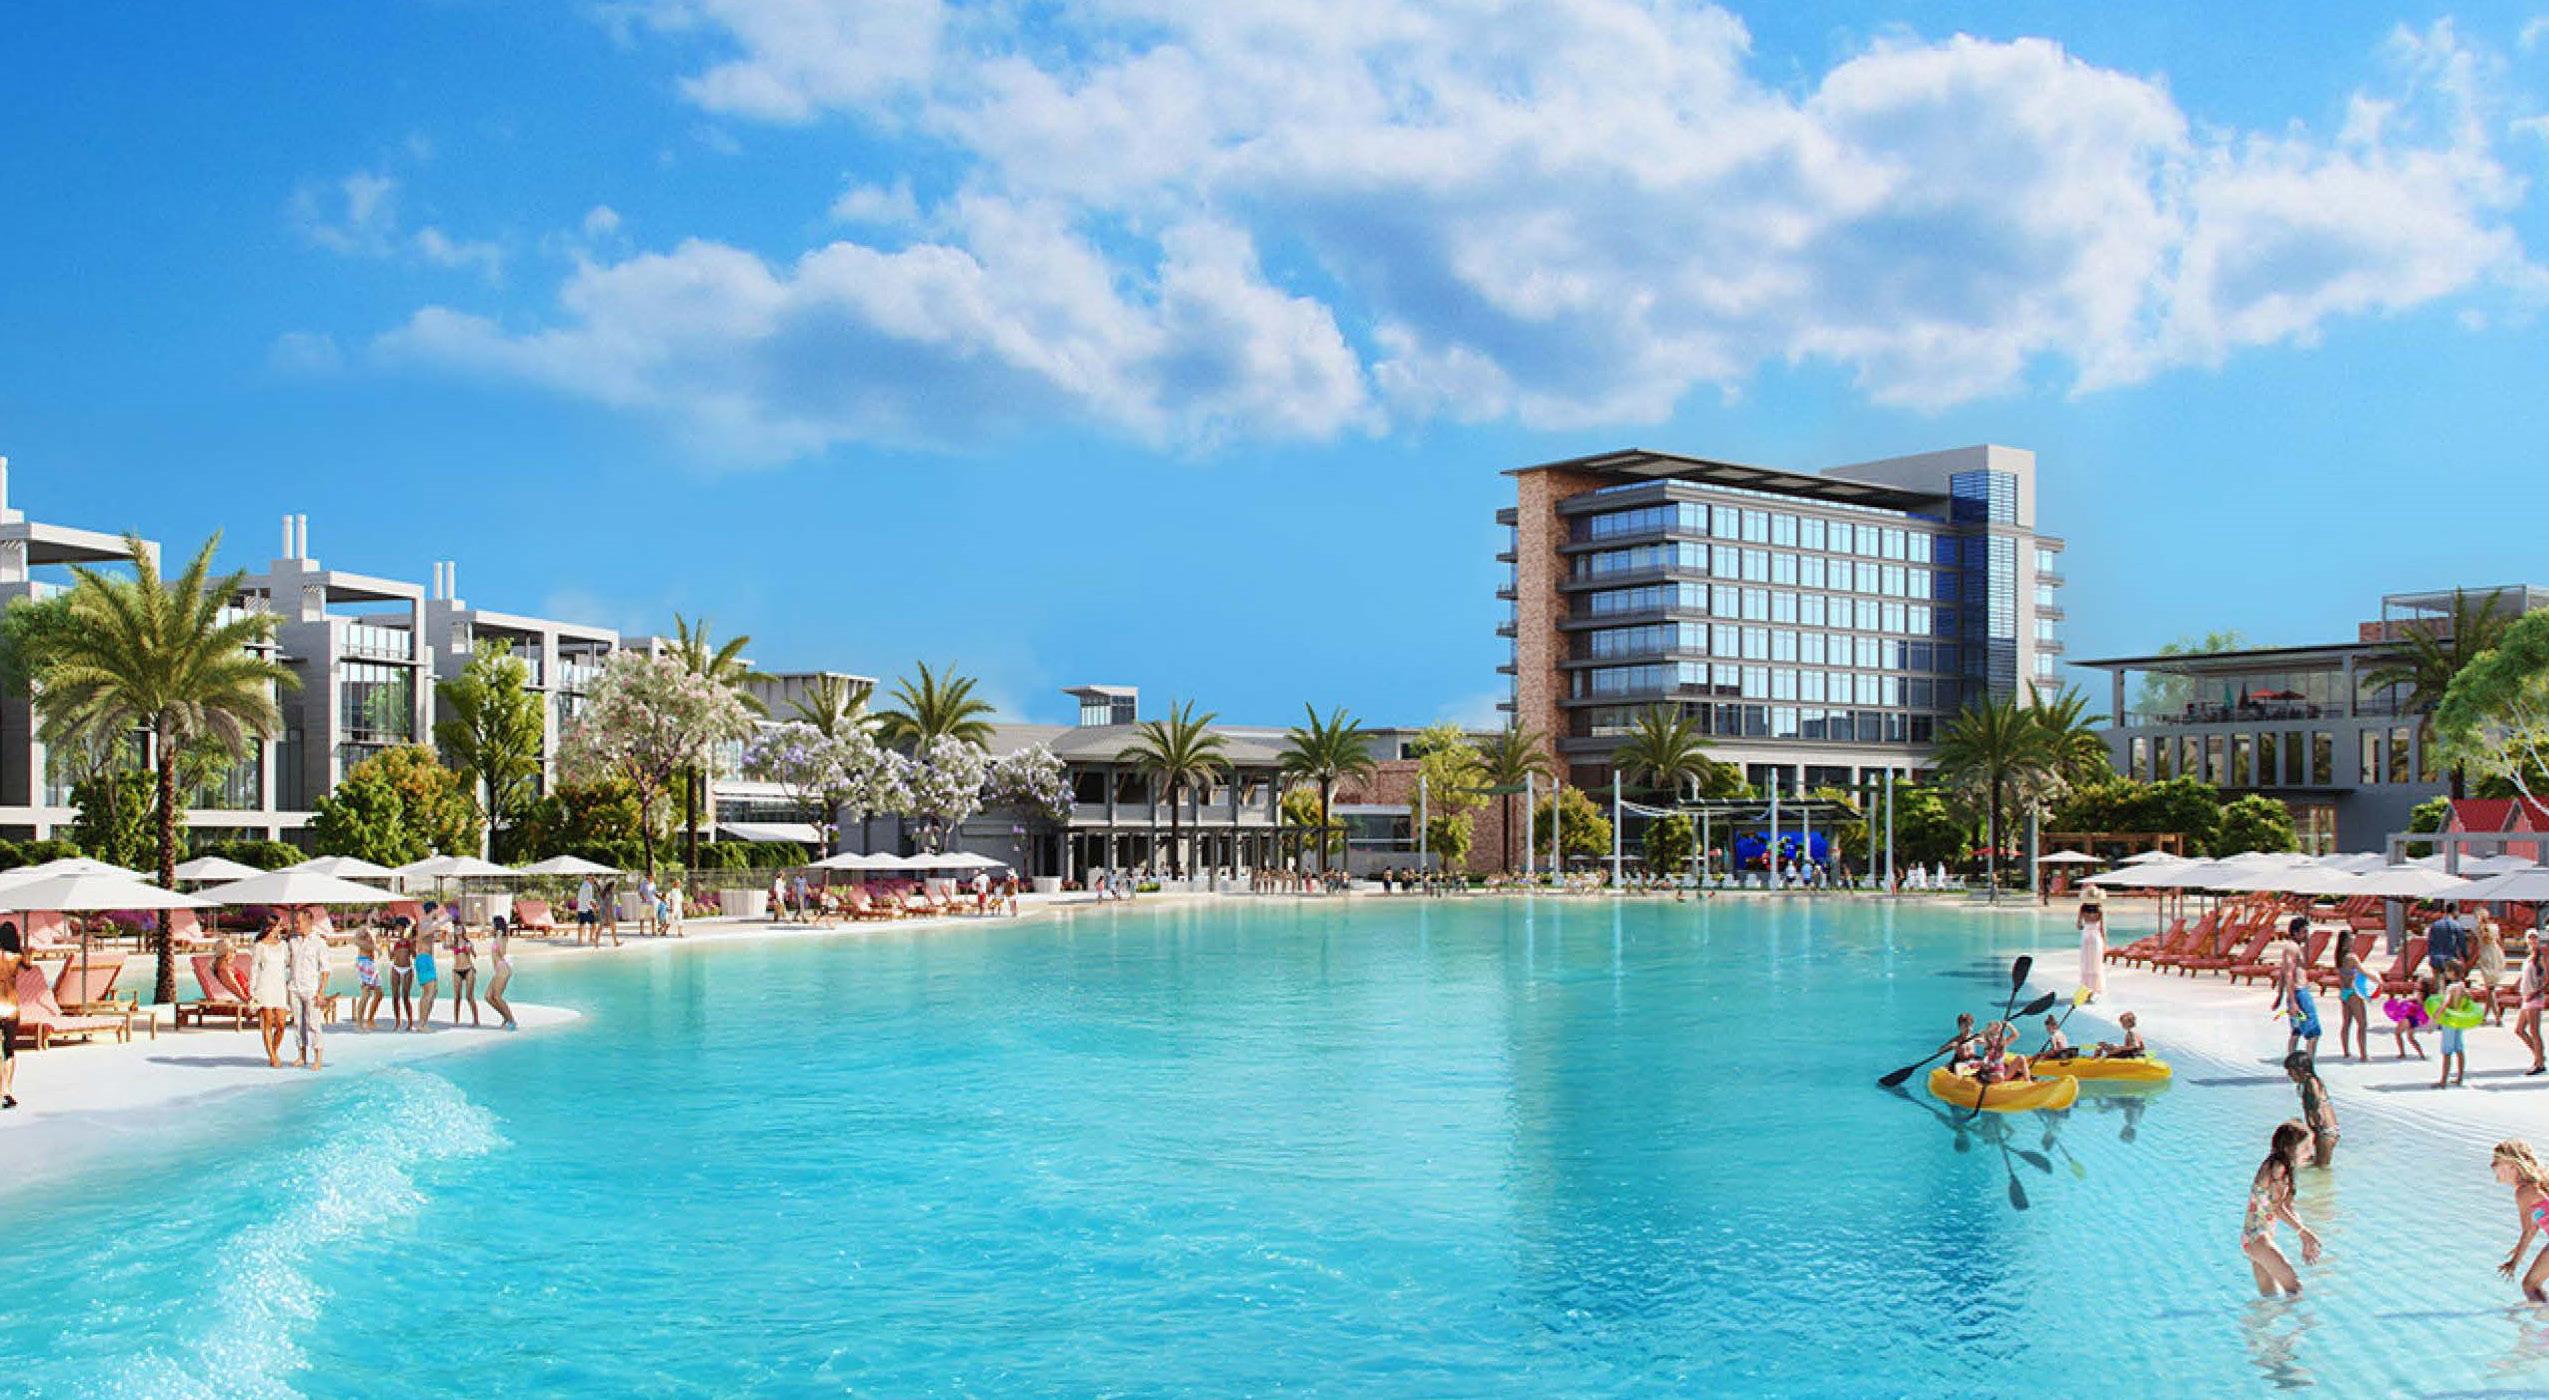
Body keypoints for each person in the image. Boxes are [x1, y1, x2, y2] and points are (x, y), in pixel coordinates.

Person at [2240, 1120, 2322, 1298]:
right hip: (2259, 1238)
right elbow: (2278, 1209)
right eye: (2306, 1147)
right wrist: (2304, 1234)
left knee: (2269, 1299)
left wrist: (2304, 1237)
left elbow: (2287, 1207)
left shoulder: (2278, 1167)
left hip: (2255, 1238)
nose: (2311, 1153)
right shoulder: (2278, 1167)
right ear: (2289, 1148)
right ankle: (2301, 1319)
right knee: (2294, 1289)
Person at [2491, 1140, 2549, 1303]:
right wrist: (2518, 1249)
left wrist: (2514, 1262)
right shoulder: (2535, 1185)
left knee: (2530, 1286)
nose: (2492, 1166)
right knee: (2531, 1285)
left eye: (2497, 1161)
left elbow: (2529, 1231)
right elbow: (2535, 1226)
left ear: (2512, 1165)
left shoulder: (2524, 1192)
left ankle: (2544, 1314)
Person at [285, 908, 330, 1071]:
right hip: (294, 987)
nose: (296, 925)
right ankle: (302, 1055)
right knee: (298, 1023)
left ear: (309, 921)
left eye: (299, 922)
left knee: (314, 1023)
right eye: (296, 922)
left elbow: (325, 970)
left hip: (311, 988)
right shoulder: (292, 941)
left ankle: (317, 1057)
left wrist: (321, 992)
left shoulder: (319, 942)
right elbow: (286, 962)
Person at [248, 914, 291, 1068]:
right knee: (267, 1022)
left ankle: (273, 1051)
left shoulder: (283, 945)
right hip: (264, 986)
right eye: (279, 925)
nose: (281, 927)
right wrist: (252, 991)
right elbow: (254, 970)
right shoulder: (259, 946)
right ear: (270, 927)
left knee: (281, 1024)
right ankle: (272, 1056)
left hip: (279, 987)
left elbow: (288, 964)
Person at [2274, 930, 2322, 1061]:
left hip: (2296, 994)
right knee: (2314, 1033)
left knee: (2297, 1031)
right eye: (2304, 932)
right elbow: (2288, 974)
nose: (2306, 935)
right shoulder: (2293, 948)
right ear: (2296, 933)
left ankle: (2292, 1063)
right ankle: (2309, 1066)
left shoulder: (2293, 947)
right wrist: (2294, 1002)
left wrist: (2280, 995)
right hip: (2300, 994)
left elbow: (2283, 972)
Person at [2284, 1051, 2338, 1167]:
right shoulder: (2305, 1083)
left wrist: (2317, 1119)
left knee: (2322, 1168)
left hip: (2326, 1131)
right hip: (2321, 1131)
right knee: (2316, 1165)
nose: (2289, 1074)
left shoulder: (2312, 1082)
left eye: (2291, 1071)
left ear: (2301, 1069)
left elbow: (2318, 1101)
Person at [2435, 975, 2480, 1089]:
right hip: (2459, 1020)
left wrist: (2437, 1014)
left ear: (2451, 973)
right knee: (2459, 1049)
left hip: (2449, 1020)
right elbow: (2470, 998)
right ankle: (2460, 1078)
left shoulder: (2451, 987)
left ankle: (2443, 1081)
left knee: (2447, 1051)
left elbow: (2446, 1002)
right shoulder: (2461, 986)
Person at [2384, 972, 2433, 1059]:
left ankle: (2402, 1053)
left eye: (2418, 982)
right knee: (2411, 1038)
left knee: (2397, 1033)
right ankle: (2421, 1054)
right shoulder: (2425, 995)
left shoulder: (2420, 994)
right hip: (2415, 1018)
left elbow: (2418, 1003)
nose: (2416, 983)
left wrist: (2405, 1001)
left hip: (2409, 1017)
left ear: (2422, 986)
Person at [0, 921, 22, 1109]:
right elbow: (29, 965)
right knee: (9, 1051)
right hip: (11, 1008)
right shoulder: (17, 957)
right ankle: (6, 1091)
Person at [2335, 953, 2373, 1062]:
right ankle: (2363, 1055)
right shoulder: (2352, 958)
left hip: (2344, 992)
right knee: (2362, 1024)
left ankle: (2346, 1052)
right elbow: (2364, 972)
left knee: (2346, 1023)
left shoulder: (2342, 962)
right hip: (2353, 993)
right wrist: (2378, 981)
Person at [2518, 936, 2548, 1077]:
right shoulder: (2529, 958)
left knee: (2534, 1031)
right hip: (2526, 997)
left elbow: (2546, 980)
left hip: (2534, 998)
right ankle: (2539, 1055)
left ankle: (2539, 1063)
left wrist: (2535, 993)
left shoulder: (2541, 958)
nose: (2532, 941)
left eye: (2535, 938)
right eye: (2530, 938)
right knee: (2519, 1030)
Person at [484, 916, 517, 1031]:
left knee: (497, 996)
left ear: (497, 925)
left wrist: (498, 936)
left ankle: (511, 1021)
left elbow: (502, 953)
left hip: (503, 969)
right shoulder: (497, 936)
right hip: (498, 970)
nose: (491, 926)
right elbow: (485, 929)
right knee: (488, 996)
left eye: (493, 924)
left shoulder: (502, 937)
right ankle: (506, 1018)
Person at [2477, 913, 2510, 1026]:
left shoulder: (2478, 930)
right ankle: (2485, 1017)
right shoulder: (2495, 927)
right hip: (2496, 955)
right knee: (2490, 989)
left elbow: (2474, 947)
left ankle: (2497, 1018)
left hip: (2486, 957)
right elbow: (2500, 942)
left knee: (2490, 989)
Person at [448, 918, 481, 1028]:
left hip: (468, 969)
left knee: (469, 996)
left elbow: (475, 955)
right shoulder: (453, 943)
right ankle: (456, 1021)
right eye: (456, 928)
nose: (458, 930)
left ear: (463, 930)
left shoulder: (468, 943)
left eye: (459, 928)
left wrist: (470, 950)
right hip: (456, 970)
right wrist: (448, 934)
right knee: (457, 997)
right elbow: (445, 946)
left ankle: (476, 1020)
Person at [411, 918, 441, 1030]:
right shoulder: (423, 928)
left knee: (434, 991)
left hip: (428, 959)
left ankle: (424, 1021)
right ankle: (421, 1023)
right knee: (429, 992)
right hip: (423, 959)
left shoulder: (429, 929)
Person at [387, 918, 416, 1031]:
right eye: (396, 927)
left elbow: (414, 955)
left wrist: (411, 945)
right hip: (396, 968)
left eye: (399, 927)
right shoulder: (395, 941)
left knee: (405, 997)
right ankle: (397, 1022)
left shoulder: (409, 941)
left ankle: (410, 1022)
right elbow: (391, 957)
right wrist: (388, 945)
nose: (397, 929)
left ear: (403, 928)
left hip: (407, 969)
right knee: (395, 997)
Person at [352, 930, 383, 1031]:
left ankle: (370, 1020)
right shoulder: (363, 931)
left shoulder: (373, 933)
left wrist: (377, 945)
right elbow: (356, 941)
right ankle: (359, 1023)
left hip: (372, 964)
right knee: (366, 994)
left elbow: (376, 945)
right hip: (364, 963)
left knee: (379, 993)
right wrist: (375, 947)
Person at [2076, 898, 2107, 998]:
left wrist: (2086, 924)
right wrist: (2105, 943)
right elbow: (2102, 928)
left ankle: (2085, 991)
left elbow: (2078, 925)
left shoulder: (2083, 908)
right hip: (2096, 937)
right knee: (2096, 964)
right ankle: (2095, 990)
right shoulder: (2100, 910)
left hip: (2086, 937)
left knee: (2086, 964)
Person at [576, 876, 598, 947]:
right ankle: (591, 938)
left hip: (581, 908)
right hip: (587, 908)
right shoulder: (589, 886)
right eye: (593, 880)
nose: (593, 882)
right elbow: (590, 900)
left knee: (581, 924)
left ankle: (579, 940)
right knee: (593, 924)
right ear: (589, 878)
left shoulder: (582, 885)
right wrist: (595, 906)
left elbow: (579, 898)